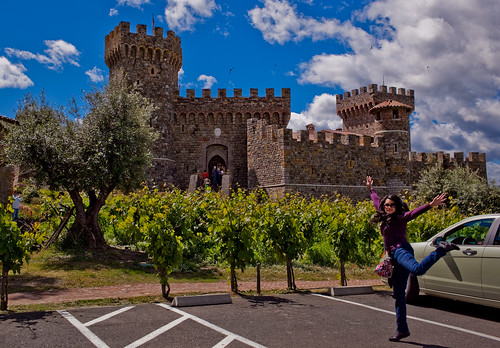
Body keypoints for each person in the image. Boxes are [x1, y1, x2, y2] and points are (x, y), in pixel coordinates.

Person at [364, 176, 460, 342]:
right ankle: (402, 330)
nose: (388, 207)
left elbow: (413, 213)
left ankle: (442, 249)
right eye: (386, 205)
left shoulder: (401, 217)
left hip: (402, 252)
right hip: (394, 257)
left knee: (417, 269)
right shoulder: (385, 216)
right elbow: (376, 201)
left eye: (391, 205)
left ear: (397, 206)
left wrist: (430, 205)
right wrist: (371, 189)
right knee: (398, 295)